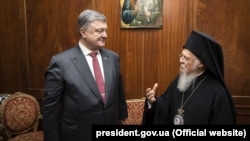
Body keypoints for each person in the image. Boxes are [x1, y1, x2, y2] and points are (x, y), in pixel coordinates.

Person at [43, 9, 128, 141]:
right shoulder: (61, 62)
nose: (105, 35)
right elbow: (50, 109)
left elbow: (119, 91)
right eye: (99, 31)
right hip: (78, 134)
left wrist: (122, 117)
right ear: (83, 32)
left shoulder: (113, 57)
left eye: (105, 30)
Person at [142, 30, 236, 125]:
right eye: (181, 55)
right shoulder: (179, 80)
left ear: (201, 63)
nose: (180, 60)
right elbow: (165, 106)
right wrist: (152, 103)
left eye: (186, 58)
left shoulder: (218, 93)